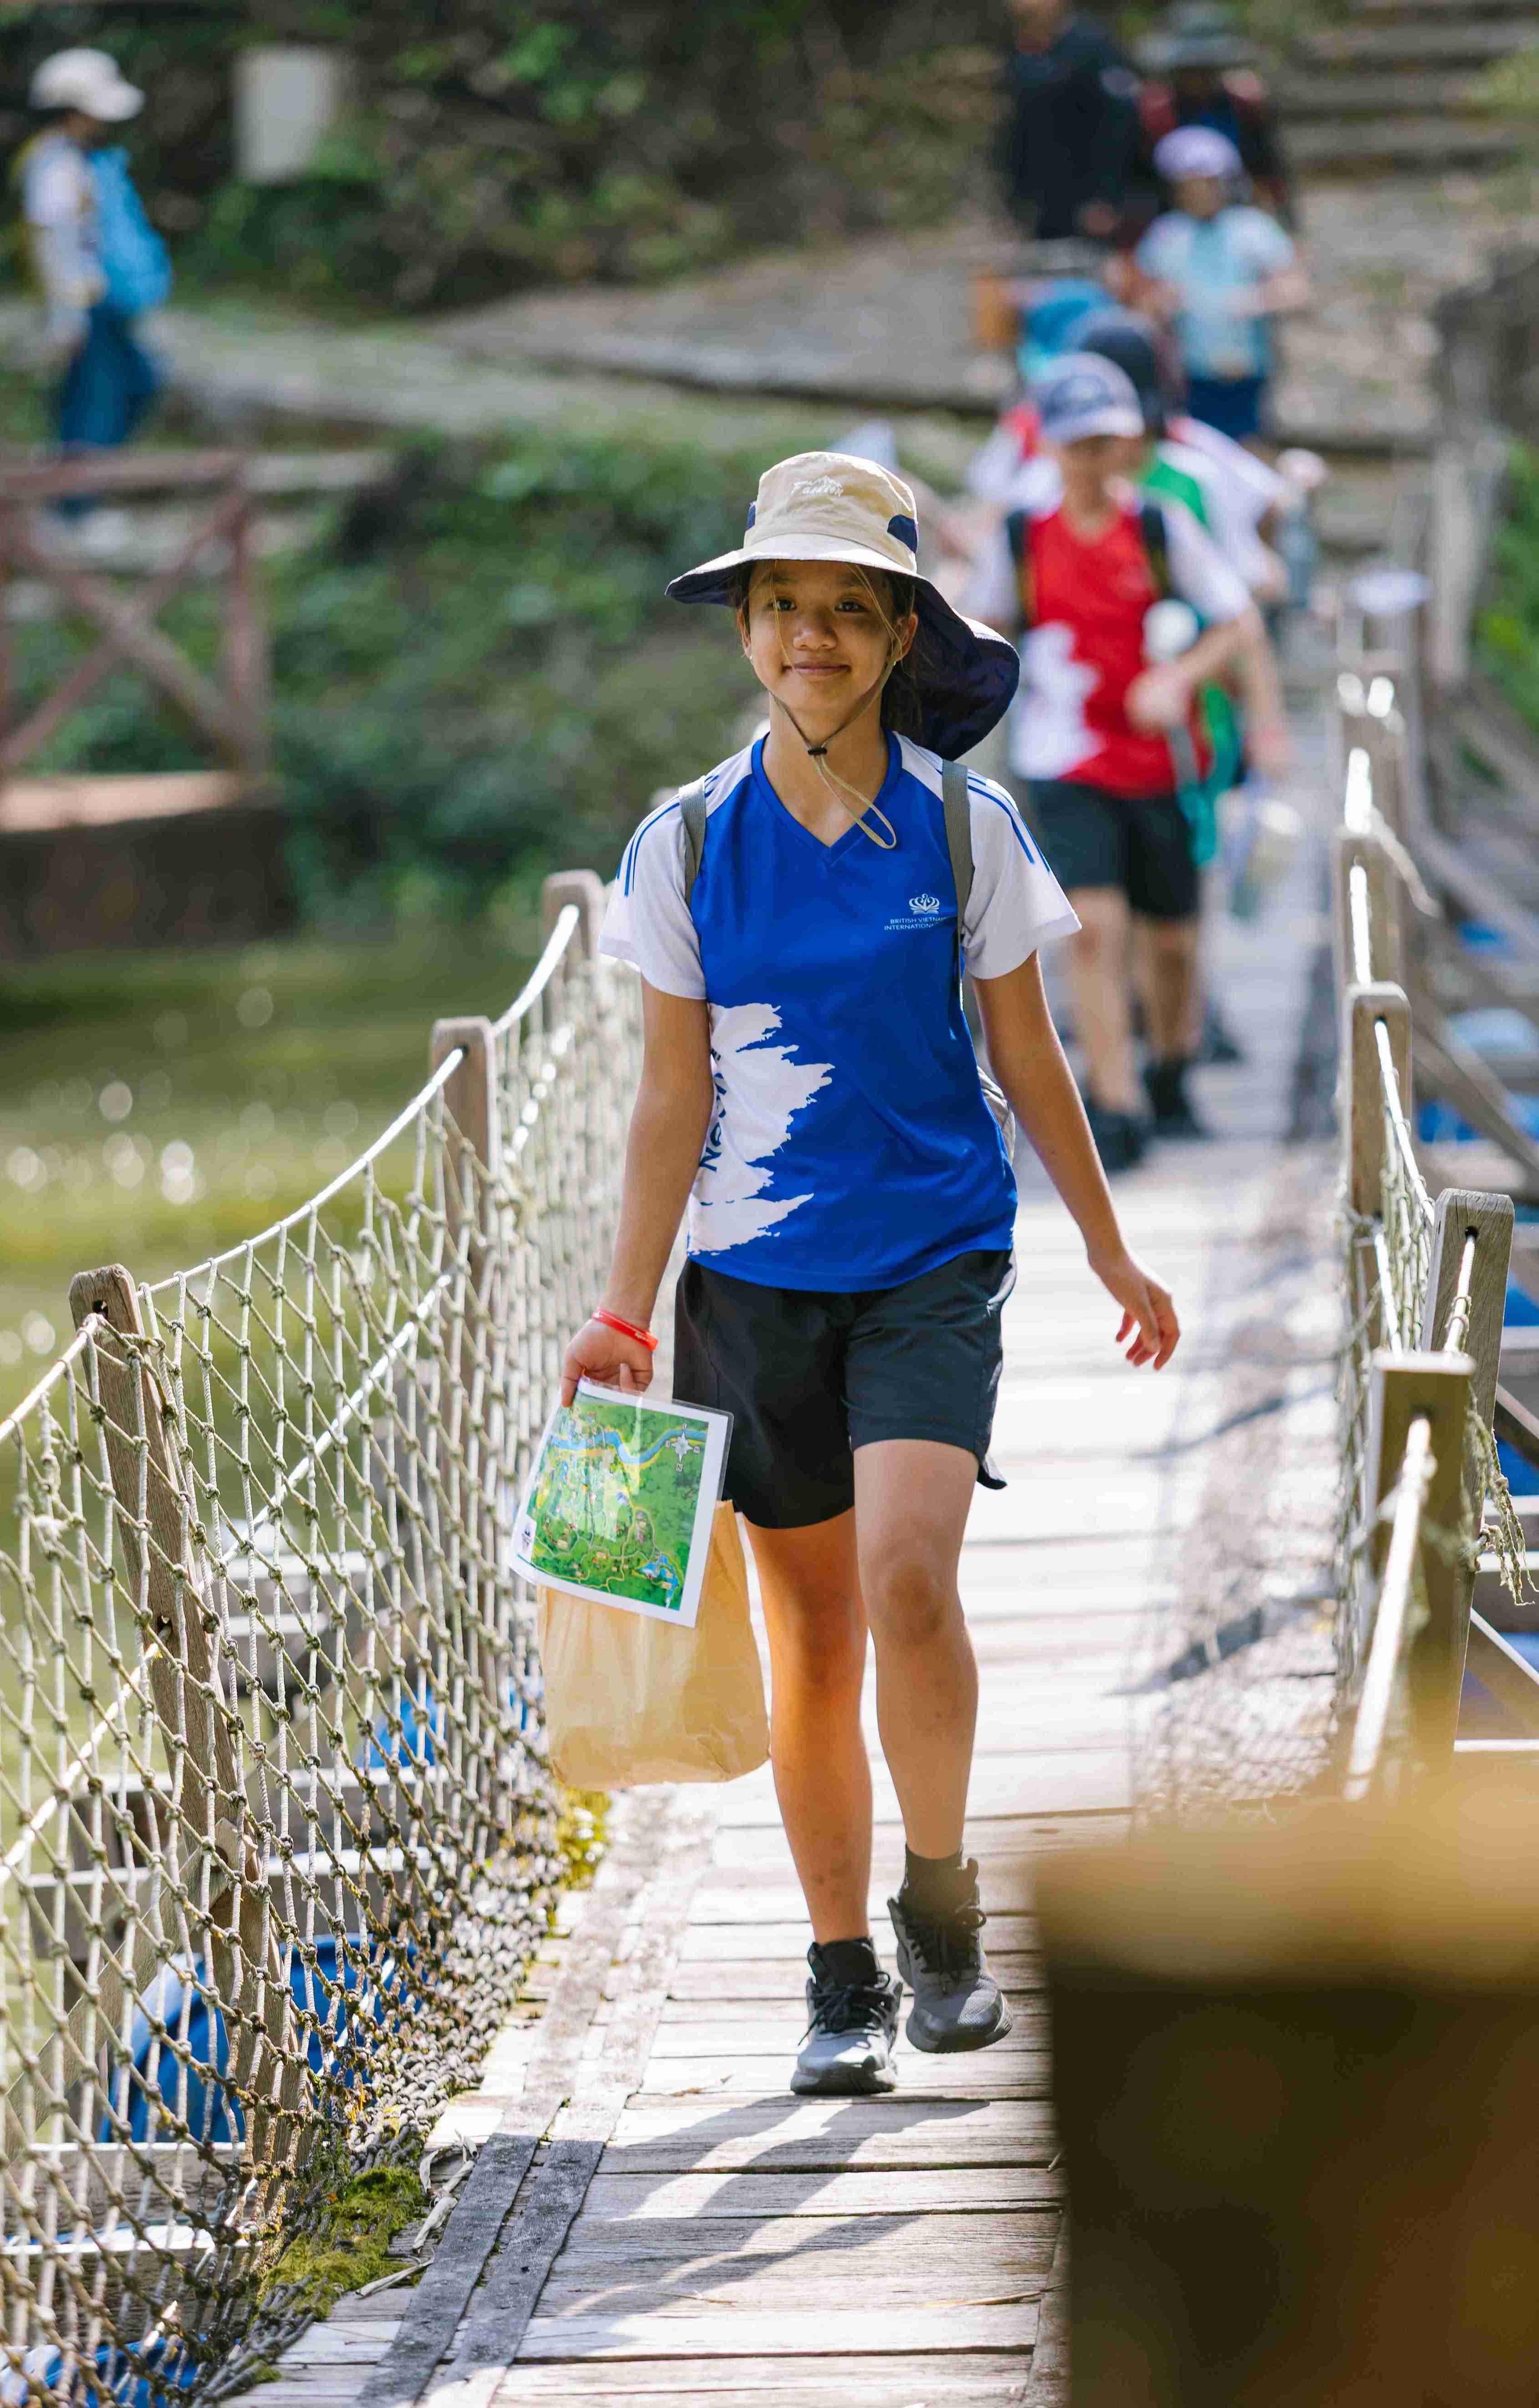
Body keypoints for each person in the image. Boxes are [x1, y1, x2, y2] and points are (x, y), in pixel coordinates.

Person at [566, 451, 1179, 2097]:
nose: (815, 636)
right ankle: (839, 1977)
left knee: (913, 1577)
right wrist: (625, 1311)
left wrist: (1113, 1248)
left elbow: (1032, 1059)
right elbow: (668, 1100)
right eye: (786, 608)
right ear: (749, 633)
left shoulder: (969, 826)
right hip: (753, 1279)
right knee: (816, 1643)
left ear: (905, 636)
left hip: (935, 1251)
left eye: (851, 609)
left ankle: (946, 1911)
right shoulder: (687, 844)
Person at [966, 356, 1284, 1166]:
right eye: (1078, 444)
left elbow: (1235, 620)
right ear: (1052, 448)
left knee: (1173, 938)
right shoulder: (1021, 533)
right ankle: (1114, 1103)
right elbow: (987, 620)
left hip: (1158, 759)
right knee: (1094, 928)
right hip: (1062, 753)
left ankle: (1171, 1065)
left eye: (1108, 441)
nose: (1094, 458)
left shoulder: (1157, 525)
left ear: (1127, 443)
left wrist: (1177, 677)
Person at [15, 50, 171, 472]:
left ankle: (76, 497)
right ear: (73, 111)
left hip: (105, 304)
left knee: (136, 385)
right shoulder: (56, 167)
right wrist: (66, 319)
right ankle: (72, 509)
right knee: (93, 406)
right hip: (84, 309)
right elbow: (54, 244)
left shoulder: (89, 160)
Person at [1134, 127, 1307, 444]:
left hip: (1249, 372)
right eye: (1191, 186)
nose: (1201, 193)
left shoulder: (1255, 229)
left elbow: (1295, 289)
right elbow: (1144, 302)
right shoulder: (1165, 236)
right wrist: (1160, 305)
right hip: (1189, 379)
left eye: (1209, 184)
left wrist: (1255, 300)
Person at [995, 0, 1146, 244]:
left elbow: (1118, 128)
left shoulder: (1094, 48)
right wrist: (1016, 195)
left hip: (1090, 204)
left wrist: (1105, 197)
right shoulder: (1021, 51)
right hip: (1042, 203)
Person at [1138, 3, 1295, 227]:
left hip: (1236, 215)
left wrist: (1283, 219)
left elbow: (1267, 170)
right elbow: (1144, 181)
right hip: (1174, 221)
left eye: (1206, 71)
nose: (1199, 81)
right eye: (1191, 72)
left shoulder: (1243, 108)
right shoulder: (1158, 116)